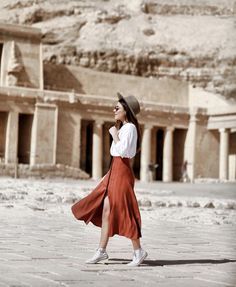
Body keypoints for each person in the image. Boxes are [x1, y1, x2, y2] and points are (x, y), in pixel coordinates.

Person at [71, 92, 148, 267]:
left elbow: (124, 152)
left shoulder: (130, 128)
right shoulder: (123, 128)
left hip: (122, 173)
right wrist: (109, 174)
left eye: (117, 107)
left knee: (125, 209)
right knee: (106, 210)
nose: (114, 109)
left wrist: (114, 134)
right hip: (116, 171)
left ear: (126, 111)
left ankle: (138, 251)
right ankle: (101, 251)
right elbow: (116, 154)